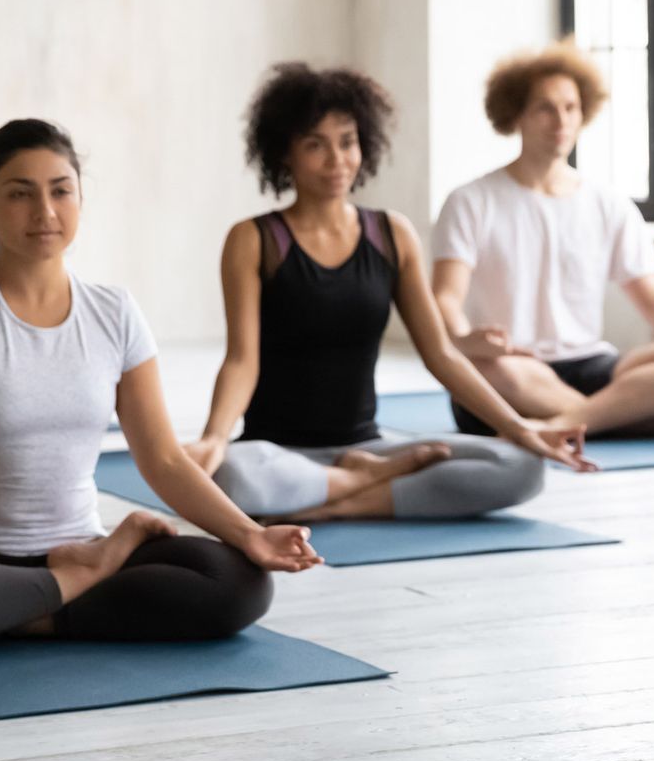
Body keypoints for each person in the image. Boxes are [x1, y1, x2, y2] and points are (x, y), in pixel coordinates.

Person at [0, 119, 317, 657]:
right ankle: (80, 581)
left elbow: (163, 458)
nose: (44, 212)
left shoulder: (115, 313)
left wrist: (250, 534)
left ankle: (26, 609)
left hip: (78, 542)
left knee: (238, 582)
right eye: (20, 194)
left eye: (61, 191)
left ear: (80, 198)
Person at [182, 64, 592, 522]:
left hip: (371, 446)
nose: (337, 160)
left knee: (522, 466)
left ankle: (347, 497)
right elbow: (242, 360)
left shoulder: (391, 235)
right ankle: (363, 483)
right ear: (284, 153)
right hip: (276, 452)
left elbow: (441, 354)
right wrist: (215, 438)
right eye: (315, 145)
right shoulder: (254, 240)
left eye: (347, 142)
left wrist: (519, 428)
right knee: (229, 478)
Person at [432, 40, 654, 439]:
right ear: (516, 113)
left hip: (592, 364)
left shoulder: (608, 203)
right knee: (480, 370)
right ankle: (623, 414)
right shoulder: (471, 201)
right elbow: (445, 298)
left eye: (570, 108)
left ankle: (562, 424)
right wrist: (464, 339)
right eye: (545, 108)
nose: (560, 121)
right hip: (513, 366)